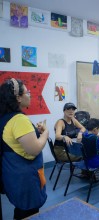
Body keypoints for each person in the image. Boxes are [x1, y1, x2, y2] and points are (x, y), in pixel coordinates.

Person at [0, 78, 49, 219]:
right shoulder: (19, 120)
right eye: (28, 93)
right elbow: (34, 149)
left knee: (21, 209)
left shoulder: (4, 117)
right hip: (25, 177)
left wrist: (35, 132)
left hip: (12, 173)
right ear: (18, 98)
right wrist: (45, 133)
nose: (30, 95)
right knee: (29, 211)